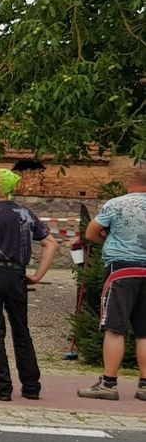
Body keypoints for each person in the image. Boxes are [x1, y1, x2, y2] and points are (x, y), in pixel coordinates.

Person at [0, 169, 58, 401]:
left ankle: (2, 386)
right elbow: (51, 244)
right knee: (21, 329)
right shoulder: (26, 214)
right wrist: (37, 275)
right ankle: (31, 386)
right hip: (17, 276)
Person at [77, 162, 146, 401]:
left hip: (121, 270)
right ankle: (145, 385)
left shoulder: (116, 204)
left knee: (114, 328)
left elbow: (90, 232)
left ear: (131, 184)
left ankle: (108, 384)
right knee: (144, 332)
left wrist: (106, 237)